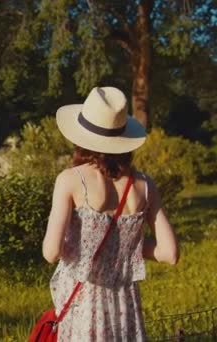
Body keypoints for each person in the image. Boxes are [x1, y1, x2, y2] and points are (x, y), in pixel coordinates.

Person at [42, 87, 179, 341]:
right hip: (125, 306)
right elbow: (169, 253)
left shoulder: (71, 180)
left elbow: (51, 252)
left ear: (81, 136)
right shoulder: (145, 185)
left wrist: (83, 244)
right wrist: (125, 248)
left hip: (82, 306)